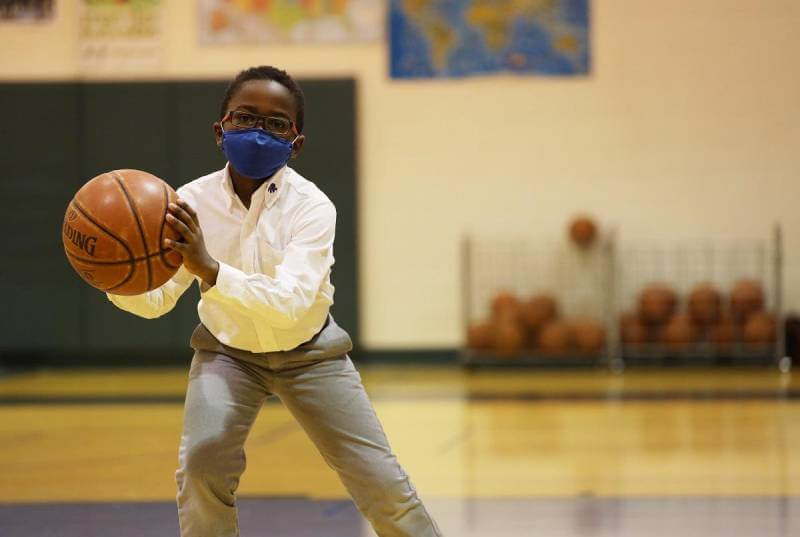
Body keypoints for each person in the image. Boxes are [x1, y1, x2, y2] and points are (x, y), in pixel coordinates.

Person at [107, 66, 443, 537]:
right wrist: (111, 273)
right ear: (220, 130)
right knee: (201, 466)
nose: (258, 131)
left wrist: (212, 271)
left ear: (296, 142)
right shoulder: (187, 202)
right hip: (228, 352)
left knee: (380, 480)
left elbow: (292, 302)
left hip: (311, 353)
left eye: (276, 123)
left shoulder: (312, 207)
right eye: (245, 118)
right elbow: (157, 300)